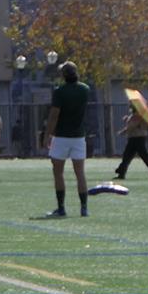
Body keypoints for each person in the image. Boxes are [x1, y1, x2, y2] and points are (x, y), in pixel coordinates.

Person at [42, 61, 95, 218]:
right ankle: (84, 208)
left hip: (61, 136)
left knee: (58, 172)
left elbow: (54, 116)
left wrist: (47, 135)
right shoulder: (85, 89)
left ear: (63, 75)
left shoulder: (59, 91)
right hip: (78, 136)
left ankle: (61, 208)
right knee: (80, 173)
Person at [112, 97, 148, 181]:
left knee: (143, 157)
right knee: (127, 156)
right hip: (134, 138)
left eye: (131, 104)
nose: (129, 106)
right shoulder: (135, 115)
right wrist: (128, 119)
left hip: (138, 139)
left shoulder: (138, 115)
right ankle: (121, 171)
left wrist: (122, 131)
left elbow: (132, 126)